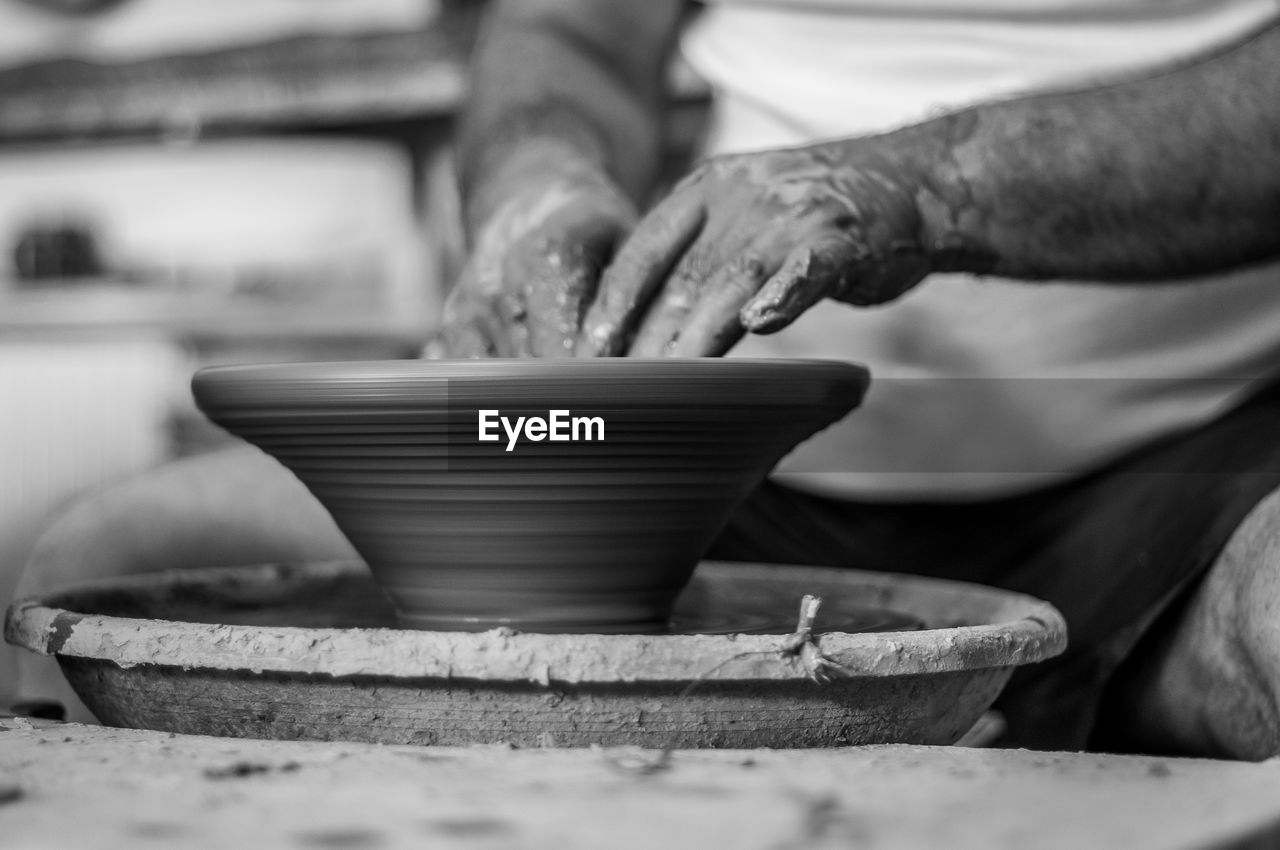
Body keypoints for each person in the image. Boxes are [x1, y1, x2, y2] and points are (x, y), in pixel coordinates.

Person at [20, 0, 1280, 757]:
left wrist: (928, 187)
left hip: (1186, 456)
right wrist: (536, 178)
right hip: (696, 446)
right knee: (118, 550)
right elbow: (568, 33)